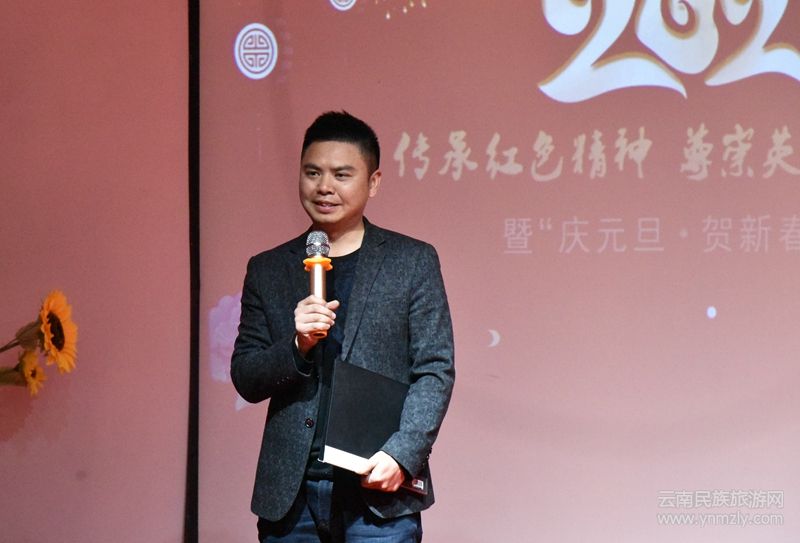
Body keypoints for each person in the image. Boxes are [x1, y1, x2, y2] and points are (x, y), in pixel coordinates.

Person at [231, 110, 455, 542]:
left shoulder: (412, 261)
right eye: (312, 172)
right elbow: (246, 376)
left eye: (341, 174)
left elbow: (435, 369)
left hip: (378, 493)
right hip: (291, 497)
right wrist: (296, 346)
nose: (324, 187)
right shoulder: (268, 268)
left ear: (373, 182)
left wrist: (403, 454)